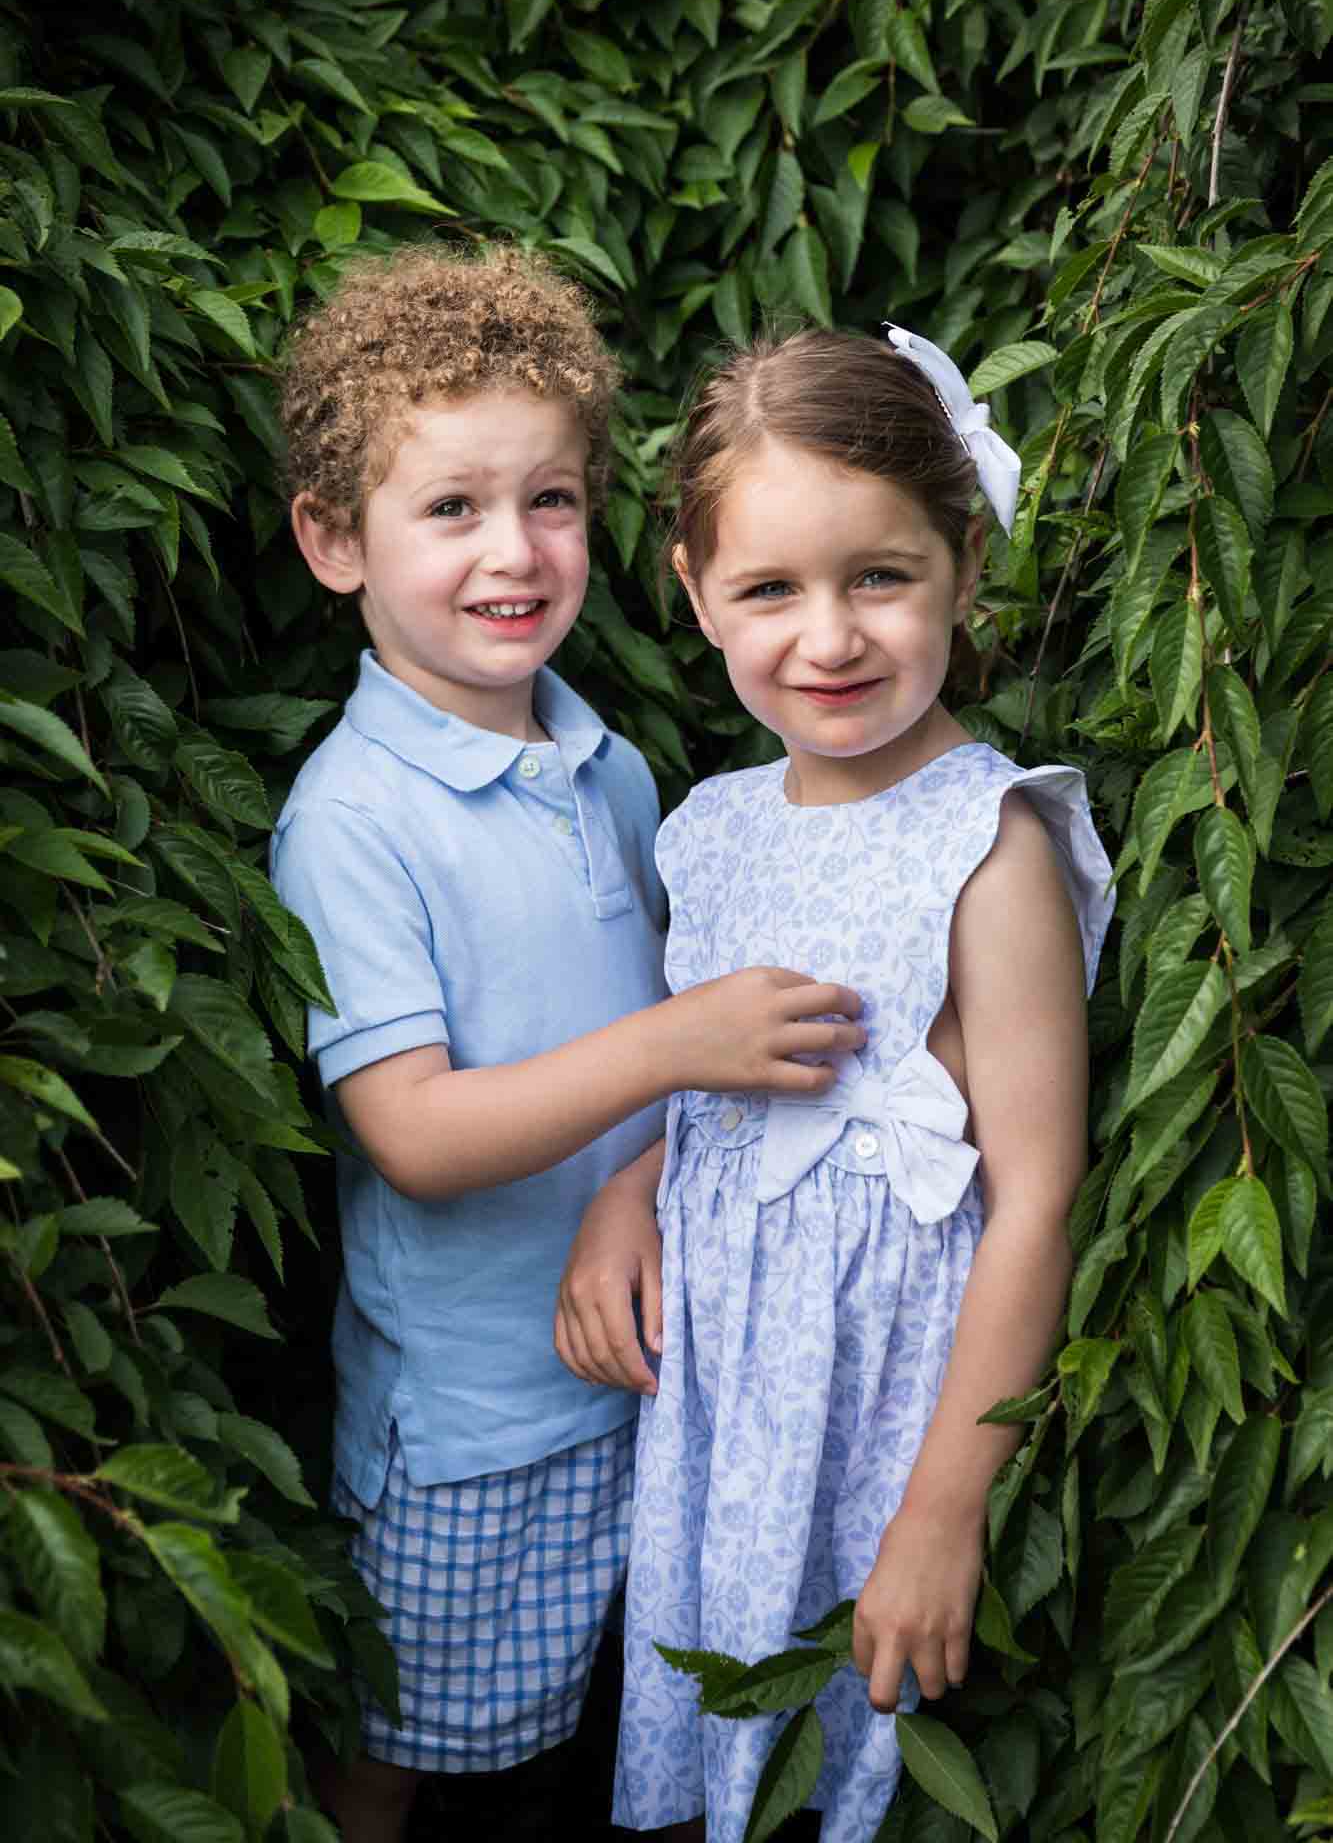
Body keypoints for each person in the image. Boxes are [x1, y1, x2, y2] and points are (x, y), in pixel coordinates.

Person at [269, 246, 866, 1843]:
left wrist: (659, 1131)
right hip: (474, 1417)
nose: (513, 552)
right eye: (449, 510)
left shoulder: (601, 765)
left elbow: (662, 1077)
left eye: (551, 500)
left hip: (646, 1362)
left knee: (615, 1742)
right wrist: (680, 1044)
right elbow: (416, 1134)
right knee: (400, 1749)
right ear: (337, 543)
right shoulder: (354, 820)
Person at [556, 323, 1114, 1842]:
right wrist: (631, 1187)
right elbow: (724, 1098)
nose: (829, 638)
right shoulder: (711, 827)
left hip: (884, 1394)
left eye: (880, 576)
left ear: (960, 564)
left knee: (855, 1753)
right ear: (692, 592)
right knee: (718, 1706)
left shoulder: (984, 845)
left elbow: (1033, 1192)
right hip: (728, 1384)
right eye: (768, 590)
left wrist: (941, 1510)